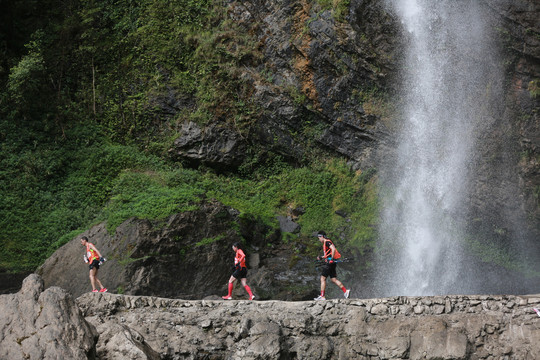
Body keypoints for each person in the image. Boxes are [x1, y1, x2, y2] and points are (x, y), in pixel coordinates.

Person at [314, 231, 350, 300]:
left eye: (319, 237)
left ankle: (322, 296)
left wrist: (331, 259)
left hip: (330, 263)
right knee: (333, 279)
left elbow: (333, 249)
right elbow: (327, 255)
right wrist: (321, 257)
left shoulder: (327, 242)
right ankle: (346, 291)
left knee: (322, 278)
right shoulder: (325, 243)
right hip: (332, 263)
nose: (319, 239)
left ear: (322, 236)